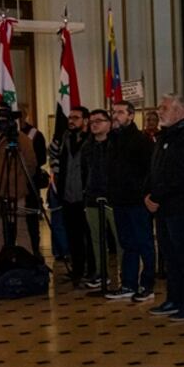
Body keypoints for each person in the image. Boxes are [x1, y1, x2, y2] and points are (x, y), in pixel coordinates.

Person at [145, 95, 184, 322]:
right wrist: (147, 194)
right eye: (159, 107)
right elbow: (155, 169)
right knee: (169, 255)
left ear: (180, 111)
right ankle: (173, 298)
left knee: (183, 255)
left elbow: (180, 173)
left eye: (165, 108)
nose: (160, 111)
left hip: (178, 206)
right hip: (161, 207)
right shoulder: (163, 136)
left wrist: (157, 195)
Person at [106, 101, 155, 302]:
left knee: (144, 243)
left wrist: (146, 194)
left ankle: (148, 285)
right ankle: (128, 283)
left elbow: (150, 171)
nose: (115, 115)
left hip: (138, 201)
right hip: (119, 200)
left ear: (131, 115)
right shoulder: (113, 140)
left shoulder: (141, 141)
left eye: (120, 112)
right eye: (113, 112)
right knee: (127, 244)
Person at [0, 102, 37, 259]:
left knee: (22, 231)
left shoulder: (21, 139)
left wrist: (16, 181)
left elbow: (30, 165)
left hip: (14, 192)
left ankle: (27, 267)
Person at [80, 109, 122, 290]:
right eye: (91, 122)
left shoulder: (116, 144)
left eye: (99, 121)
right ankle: (100, 273)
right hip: (92, 197)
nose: (94, 124)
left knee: (120, 238)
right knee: (96, 239)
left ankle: (125, 273)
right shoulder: (87, 146)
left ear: (109, 123)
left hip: (113, 197)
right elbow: (84, 171)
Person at [55, 105, 93, 283]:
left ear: (86, 120)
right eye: (70, 117)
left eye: (76, 118)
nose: (71, 121)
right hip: (68, 195)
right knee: (73, 234)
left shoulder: (92, 140)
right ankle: (77, 269)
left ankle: (93, 270)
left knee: (90, 235)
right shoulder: (65, 138)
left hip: (86, 195)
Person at [18, 103, 47, 256]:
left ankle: (33, 251)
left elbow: (41, 158)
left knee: (30, 220)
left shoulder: (35, 134)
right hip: (11, 184)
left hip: (29, 183)